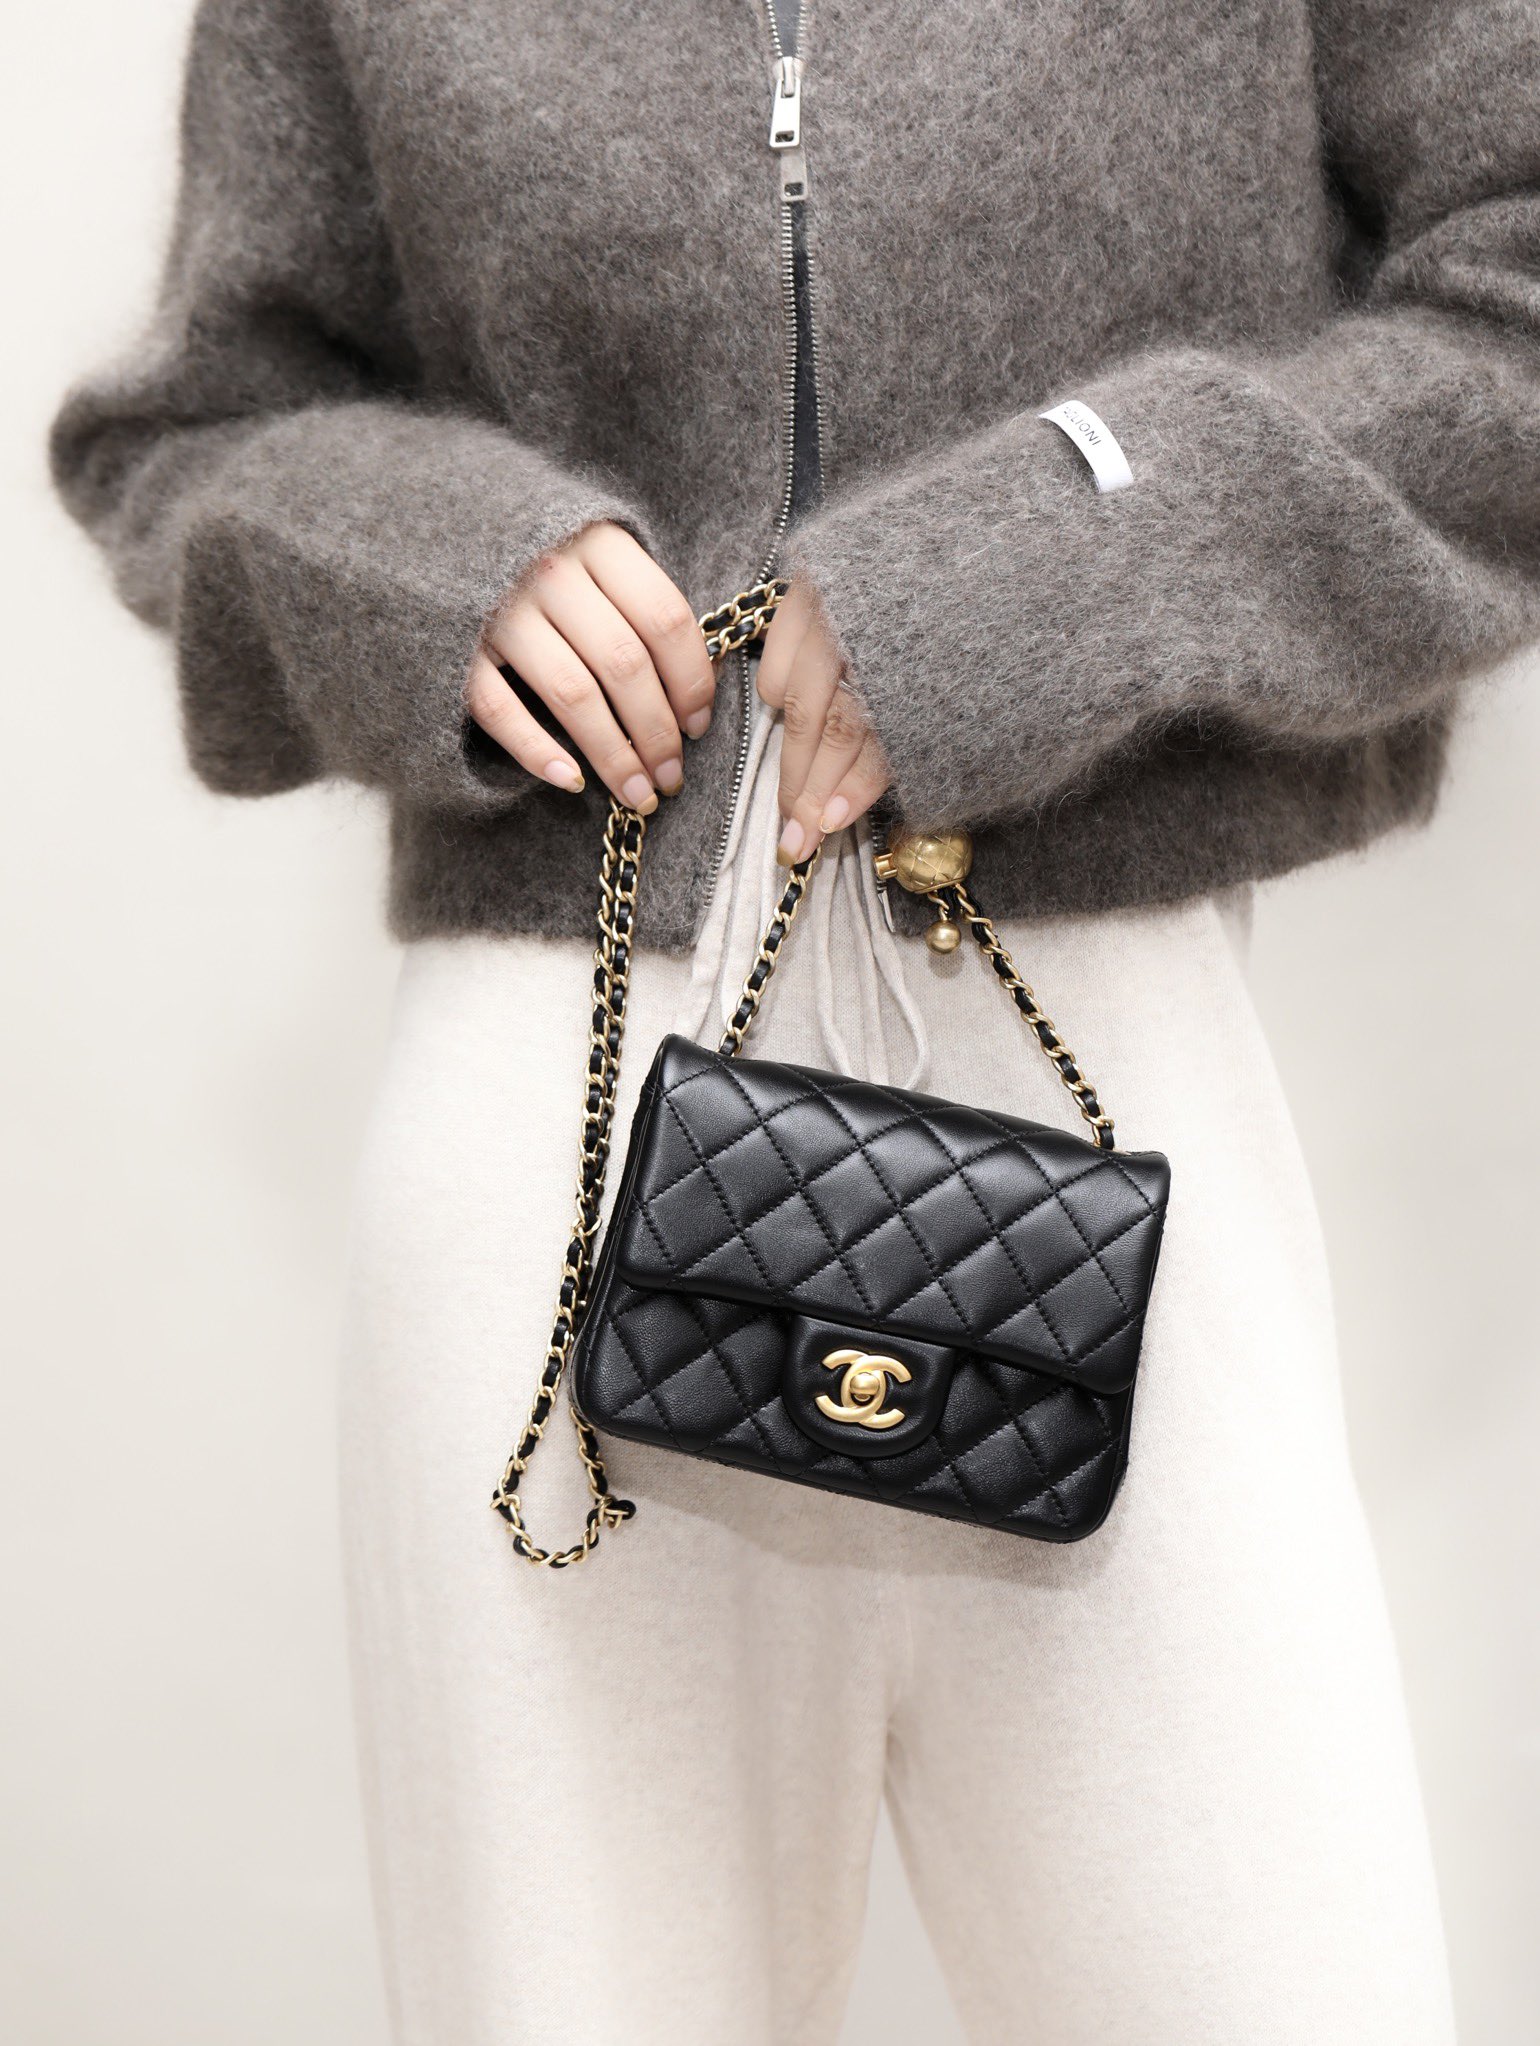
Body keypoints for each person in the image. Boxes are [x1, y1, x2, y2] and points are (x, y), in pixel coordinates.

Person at [51, 1, 1539, 2039]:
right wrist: (432, 555)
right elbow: (196, 421)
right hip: (554, 1165)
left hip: (1116, 1129)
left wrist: (1080, 526)